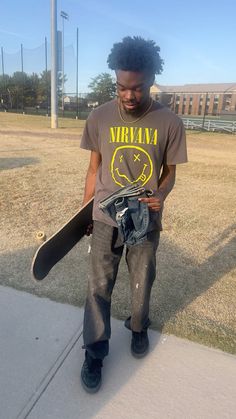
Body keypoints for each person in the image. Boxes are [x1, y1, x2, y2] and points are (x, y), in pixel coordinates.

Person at [80, 36, 187, 393]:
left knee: (142, 282)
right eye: (121, 87)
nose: (128, 95)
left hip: (144, 218)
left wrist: (161, 193)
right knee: (98, 286)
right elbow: (93, 168)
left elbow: (170, 172)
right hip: (105, 216)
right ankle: (95, 351)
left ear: (150, 79)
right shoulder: (99, 117)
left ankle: (138, 327)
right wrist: (85, 213)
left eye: (136, 87)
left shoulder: (169, 121)